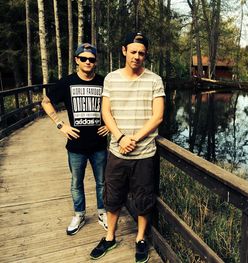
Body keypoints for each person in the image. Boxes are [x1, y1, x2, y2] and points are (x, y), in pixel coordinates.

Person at [90, 32, 165, 262]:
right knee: (112, 197)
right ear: (124, 51)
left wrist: (134, 139)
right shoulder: (111, 78)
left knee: (143, 198)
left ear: (146, 55)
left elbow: (158, 117)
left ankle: (140, 239)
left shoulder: (155, 80)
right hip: (117, 151)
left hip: (144, 154)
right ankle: (110, 237)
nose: (137, 57)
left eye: (141, 53)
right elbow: (106, 112)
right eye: (133, 52)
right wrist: (121, 138)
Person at [41, 43, 109, 236]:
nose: (88, 62)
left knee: (102, 182)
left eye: (92, 59)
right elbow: (46, 102)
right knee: (76, 183)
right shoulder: (67, 82)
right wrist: (60, 124)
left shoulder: (104, 82)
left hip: (99, 144)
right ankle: (79, 214)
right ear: (76, 60)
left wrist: (111, 126)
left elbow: (117, 105)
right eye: (84, 58)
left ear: (96, 62)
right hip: (76, 145)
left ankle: (102, 213)